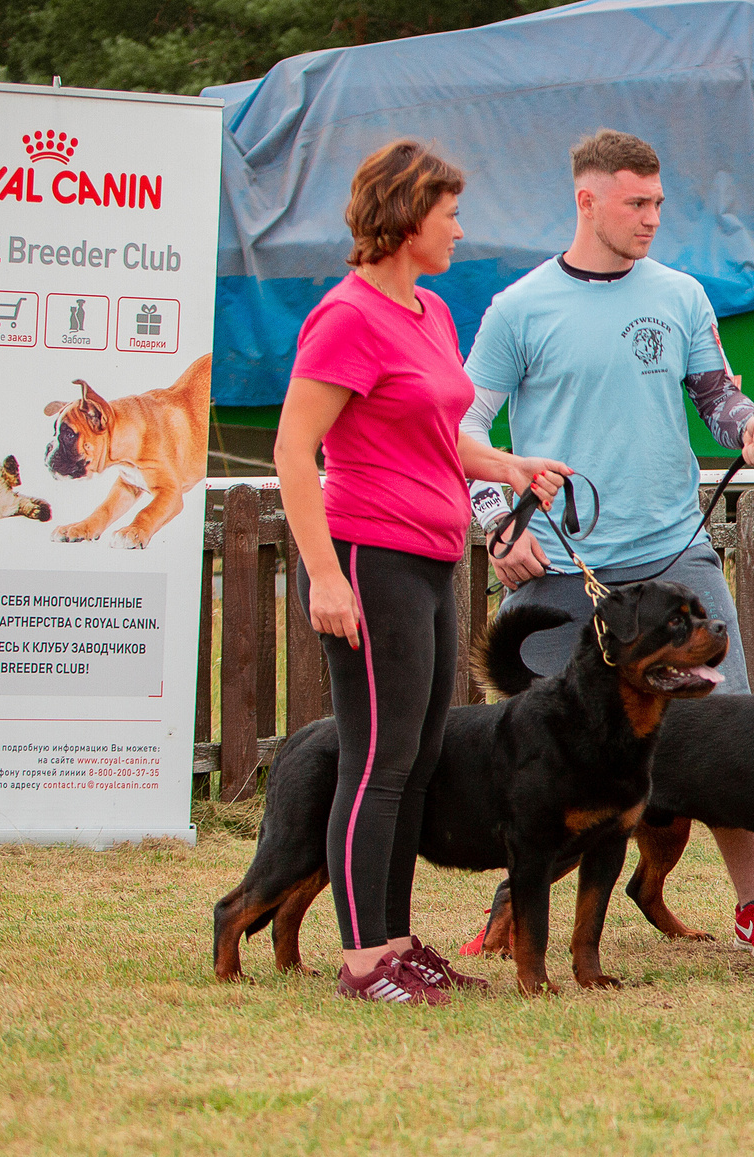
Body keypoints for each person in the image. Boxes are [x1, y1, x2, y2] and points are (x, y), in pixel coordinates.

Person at [456, 130, 754, 963]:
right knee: (542, 748)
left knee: (727, 734)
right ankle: (516, 907)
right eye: (635, 203)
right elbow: (463, 426)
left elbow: (715, 394)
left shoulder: (681, 294)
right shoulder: (518, 308)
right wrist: (493, 519)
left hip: (670, 551)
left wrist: (748, 425)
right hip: (557, 559)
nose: (652, 217)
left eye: (658, 203)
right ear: (587, 200)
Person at [274, 140, 569, 1003]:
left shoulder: (428, 312)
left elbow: (438, 434)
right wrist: (326, 578)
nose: (460, 228)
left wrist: (506, 465)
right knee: (376, 762)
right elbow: (297, 453)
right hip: (366, 558)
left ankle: (398, 942)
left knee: (417, 753)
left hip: (430, 560)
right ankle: (367, 962)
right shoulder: (347, 316)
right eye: (449, 214)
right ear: (407, 220)